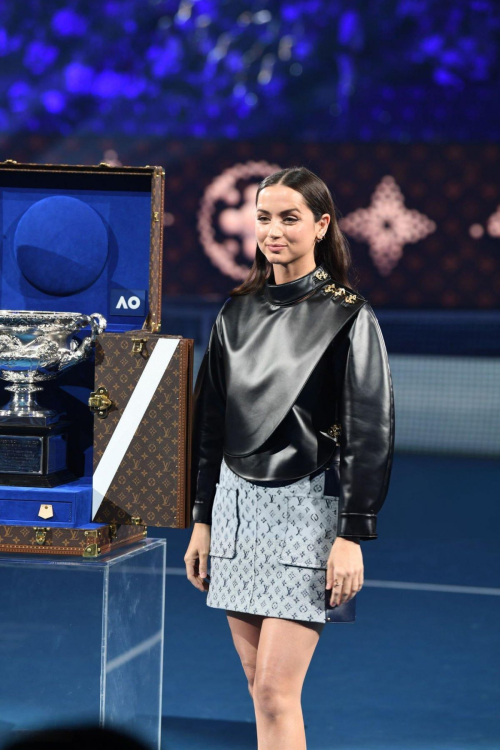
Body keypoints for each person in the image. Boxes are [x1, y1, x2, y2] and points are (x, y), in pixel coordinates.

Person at [184, 166, 395, 749]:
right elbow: (210, 429)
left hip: (306, 516)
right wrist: (202, 519)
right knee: (259, 689)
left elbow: (369, 434)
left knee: (277, 694)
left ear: (322, 225)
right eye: (264, 218)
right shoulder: (235, 313)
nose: (273, 231)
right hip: (234, 511)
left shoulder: (349, 314)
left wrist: (353, 533)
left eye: (289, 218)